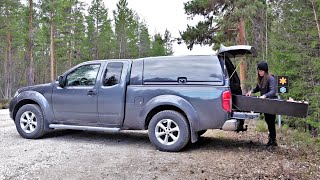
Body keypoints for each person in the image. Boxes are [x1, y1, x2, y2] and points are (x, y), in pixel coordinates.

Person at [246, 61, 278, 146]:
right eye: (259, 70)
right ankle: (271, 139)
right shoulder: (260, 78)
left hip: (271, 103)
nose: (259, 72)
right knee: (267, 120)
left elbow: (273, 91)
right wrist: (251, 91)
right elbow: (257, 88)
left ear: (265, 71)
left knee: (271, 121)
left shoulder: (271, 78)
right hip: (265, 104)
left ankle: (273, 140)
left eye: (261, 71)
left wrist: (265, 96)